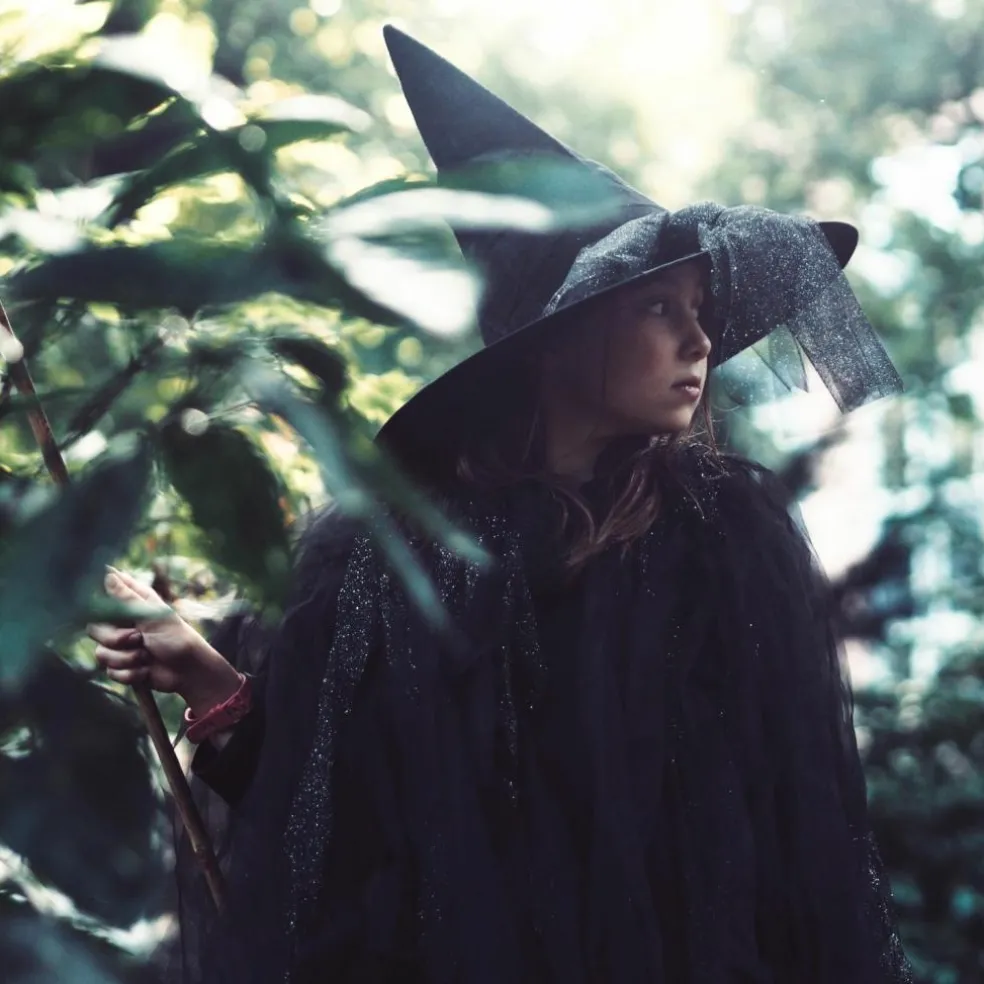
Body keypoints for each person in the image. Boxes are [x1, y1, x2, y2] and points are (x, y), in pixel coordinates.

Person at [87, 26, 913, 984]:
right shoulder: (400, 551)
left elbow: (796, 833)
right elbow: (342, 827)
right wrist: (206, 676)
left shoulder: (722, 536)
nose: (699, 340)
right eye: (659, 307)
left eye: (699, 307)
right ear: (563, 335)